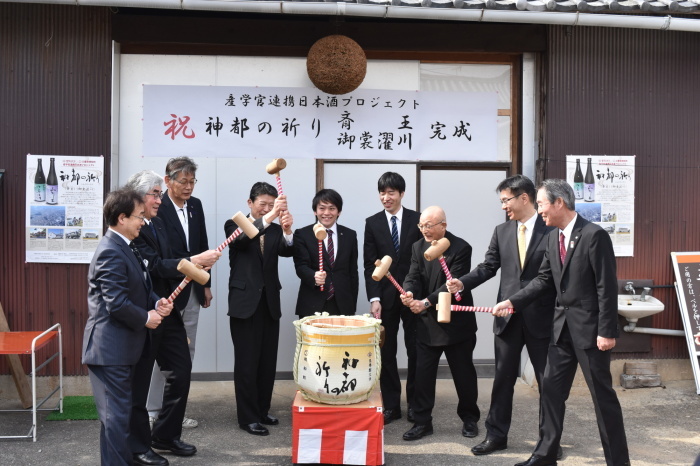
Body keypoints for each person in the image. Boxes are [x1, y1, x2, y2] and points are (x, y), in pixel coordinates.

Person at [492, 179, 630, 466]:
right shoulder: (553, 238)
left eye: (542, 203)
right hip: (560, 332)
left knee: (603, 400)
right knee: (551, 395)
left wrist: (607, 331)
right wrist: (512, 302)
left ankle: (618, 462)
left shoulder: (594, 235)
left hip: (591, 334)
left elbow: (607, 286)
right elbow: (544, 280)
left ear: (559, 203)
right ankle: (544, 456)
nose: (539, 209)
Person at [444, 175, 556, 456]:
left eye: (506, 200)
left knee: (548, 383)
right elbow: (488, 266)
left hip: (541, 317)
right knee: (502, 379)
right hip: (506, 317)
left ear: (524, 198)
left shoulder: (551, 229)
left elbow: (550, 277)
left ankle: (549, 443)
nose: (504, 206)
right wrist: (463, 282)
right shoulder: (502, 231)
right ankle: (496, 436)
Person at [126, 171, 220, 464]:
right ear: (139, 197)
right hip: (146, 312)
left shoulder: (157, 223)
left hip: (168, 309)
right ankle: (138, 446)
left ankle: (165, 435)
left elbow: (171, 259)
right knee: (139, 382)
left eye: (158, 193)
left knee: (180, 369)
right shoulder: (133, 227)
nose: (159, 198)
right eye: (155, 193)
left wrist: (199, 269)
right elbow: (154, 265)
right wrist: (192, 262)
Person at [82, 188, 171, 466]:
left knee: (117, 421)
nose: (143, 222)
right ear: (121, 218)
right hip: (110, 351)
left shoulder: (126, 246)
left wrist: (157, 303)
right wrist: (146, 318)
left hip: (125, 349)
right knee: (116, 422)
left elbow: (140, 288)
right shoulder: (110, 251)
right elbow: (116, 304)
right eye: (139, 217)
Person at [400, 206, 480, 441]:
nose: (424, 229)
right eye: (421, 225)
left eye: (429, 225)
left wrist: (425, 302)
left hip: (457, 324)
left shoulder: (461, 247)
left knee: (463, 374)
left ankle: (469, 419)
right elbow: (413, 275)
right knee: (423, 374)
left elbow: (451, 284)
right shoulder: (418, 247)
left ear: (443, 225)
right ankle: (423, 422)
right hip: (428, 323)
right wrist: (409, 293)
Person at [224, 182, 294, 436]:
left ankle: (263, 410)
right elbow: (243, 240)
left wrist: (287, 230)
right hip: (244, 304)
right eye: (262, 204)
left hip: (269, 302)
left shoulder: (275, 229)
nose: (266, 208)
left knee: (267, 362)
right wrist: (272, 215)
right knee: (246, 362)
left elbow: (288, 250)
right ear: (250, 203)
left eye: (270, 204)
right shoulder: (234, 224)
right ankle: (248, 417)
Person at [153, 157, 212, 428]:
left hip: (192, 291)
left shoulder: (195, 206)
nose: (189, 187)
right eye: (183, 181)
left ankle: (175, 412)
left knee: (186, 352)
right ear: (168, 181)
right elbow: (163, 256)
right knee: (160, 353)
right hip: (164, 293)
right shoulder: (157, 208)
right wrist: (194, 261)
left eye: (192, 182)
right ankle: (153, 409)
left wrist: (205, 285)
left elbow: (202, 245)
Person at [363, 172, 421, 425]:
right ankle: (392, 405)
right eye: (382, 193)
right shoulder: (372, 222)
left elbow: (423, 261)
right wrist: (374, 297)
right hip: (385, 297)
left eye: (391, 193)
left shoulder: (417, 220)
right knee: (386, 351)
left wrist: (420, 293)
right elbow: (368, 265)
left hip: (413, 296)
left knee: (416, 350)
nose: (386, 198)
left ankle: (416, 405)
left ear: (402, 194)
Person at [293, 188, 358, 317]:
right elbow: (301, 266)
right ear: (315, 211)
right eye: (322, 208)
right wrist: (314, 276)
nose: (326, 213)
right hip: (313, 302)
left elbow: (352, 273)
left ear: (339, 211)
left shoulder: (350, 235)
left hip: (342, 305)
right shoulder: (303, 234)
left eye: (332, 208)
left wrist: (351, 305)